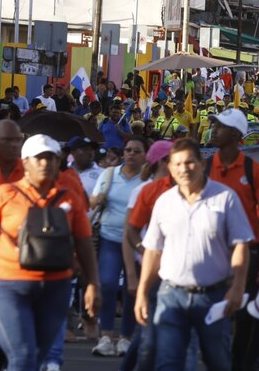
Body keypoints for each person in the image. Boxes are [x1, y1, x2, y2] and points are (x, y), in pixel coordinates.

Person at [135, 138, 253, 370]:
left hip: (214, 296)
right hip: (171, 295)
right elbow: (152, 250)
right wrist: (141, 292)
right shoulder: (164, 202)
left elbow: (240, 245)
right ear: (169, 167)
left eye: (189, 162)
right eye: (177, 164)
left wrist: (238, 287)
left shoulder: (226, 198)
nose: (184, 169)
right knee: (168, 362)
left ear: (201, 163)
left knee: (217, 361)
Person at [0, 134, 100, 370]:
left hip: (55, 287)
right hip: (9, 287)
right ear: (25, 162)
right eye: (38, 158)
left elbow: (83, 243)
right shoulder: (3, 195)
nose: (45, 164)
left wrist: (92, 284)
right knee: (22, 357)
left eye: (50, 158)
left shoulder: (69, 197)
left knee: (39, 357)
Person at [205, 108, 259, 370]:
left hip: (248, 252)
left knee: (243, 317)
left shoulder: (254, 170)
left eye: (220, 126)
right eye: (215, 124)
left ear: (236, 135)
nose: (214, 129)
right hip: (214, 252)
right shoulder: (205, 167)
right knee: (214, 313)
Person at [122, 140, 177, 371]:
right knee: (148, 336)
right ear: (162, 162)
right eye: (172, 159)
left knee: (157, 333)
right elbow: (129, 234)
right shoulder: (141, 191)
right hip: (151, 271)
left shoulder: (182, 190)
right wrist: (133, 277)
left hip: (177, 271)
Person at [90, 136, 147, 356]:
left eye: (137, 150)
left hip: (138, 243)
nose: (131, 153)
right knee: (108, 284)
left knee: (133, 289)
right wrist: (98, 200)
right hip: (110, 238)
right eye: (128, 150)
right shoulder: (109, 174)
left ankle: (125, 338)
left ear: (145, 155)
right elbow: (92, 199)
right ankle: (106, 337)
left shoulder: (147, 179)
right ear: (123, 154)